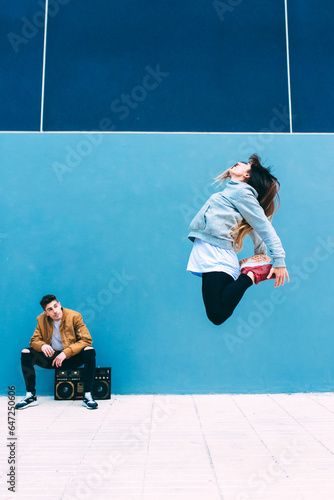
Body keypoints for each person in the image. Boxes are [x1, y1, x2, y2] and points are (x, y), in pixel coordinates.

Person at [187, 154, 289, 325]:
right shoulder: (234, 192)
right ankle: (252, 271)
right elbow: (253, 224)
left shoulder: (242, 193)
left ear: (247, 176)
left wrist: (279, 260)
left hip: (216, 254)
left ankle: (250, 274)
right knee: (217, 313)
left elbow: (263, 225)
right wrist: (260, 255)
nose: (240, 163)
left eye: (246, 165)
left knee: (217, 313)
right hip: (210, 252)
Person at [15, 295, 98, 410]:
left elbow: (86, 340)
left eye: (55, 306)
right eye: (50, 309)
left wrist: (66, 353)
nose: (55, 311)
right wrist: (42, 345)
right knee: (26, 352)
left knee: (89, 350)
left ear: (59, 304)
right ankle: (31, 395)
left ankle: (87, 395)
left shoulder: (74, 316)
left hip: (71, 357)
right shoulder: (41, 319)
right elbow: (33, 341)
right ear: (46, 312)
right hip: (52, 359)